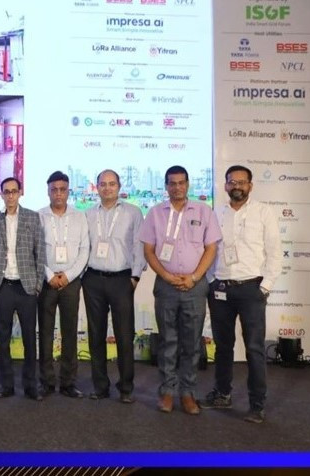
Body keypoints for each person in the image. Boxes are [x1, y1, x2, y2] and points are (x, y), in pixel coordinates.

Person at [201, 165, 281, 424]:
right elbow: (209, 249)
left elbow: (275, 252)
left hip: (251, 289)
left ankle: (257, 405)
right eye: (232, 182)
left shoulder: (263, 212)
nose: (237, 186)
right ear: (225, 185)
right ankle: (222, 393)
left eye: (242, 182)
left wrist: (264, 287)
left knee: (255, 348)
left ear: (250, 186)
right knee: (223, 346)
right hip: (221, 288)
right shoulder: (216, 213)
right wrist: (212, 280)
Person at [140, 165, 221, 415]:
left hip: (194, 286)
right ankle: (167, 391)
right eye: (172, 183)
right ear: (166, 186)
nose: (177, 187)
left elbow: (211, 248)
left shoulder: (204, 211)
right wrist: (166, 276)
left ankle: (188, 393)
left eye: (181, 182)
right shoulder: (155, 213)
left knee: (191, 343)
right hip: (166, 286)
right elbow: (148, 251)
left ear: (188, 184)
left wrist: (194, 277)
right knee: (168, 341)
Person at [82, 169, 146, 403]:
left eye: (111, 184)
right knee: (96, 335)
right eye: (103, 184)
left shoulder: (133, 212)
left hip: (122, 279)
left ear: (119, 187)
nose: (107, 188)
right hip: (93, 279)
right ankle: (100, 386)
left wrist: (135, 277)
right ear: (96, 187)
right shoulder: (88, 214)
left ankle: (126, 387)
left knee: (124, 335)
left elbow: (139, 245)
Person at [0, 177, 46, 401]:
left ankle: (30, 385)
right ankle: (7, 385)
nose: (10, 195)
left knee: (29, 339)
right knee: (3, 339)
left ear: (20, 193)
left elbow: (40, 252)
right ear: (2, 195)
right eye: (6, 192)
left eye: (14, 191)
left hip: (26, 287)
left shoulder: (32, 217)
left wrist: (38, 284)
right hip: (3, 286)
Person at [37, 171, 90, 399]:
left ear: (68, 191)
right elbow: (35, 250)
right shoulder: (39, 216)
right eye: (54, 190)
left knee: (70, 333)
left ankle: (68, 382)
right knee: (45, 333)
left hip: (71, 282)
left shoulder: (80, 217)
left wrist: (68, 275)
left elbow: (85, 250)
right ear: (48, 191)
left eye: (62, 189)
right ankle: (47, 382)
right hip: (46, 281)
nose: (58, 193)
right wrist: (49, 275)